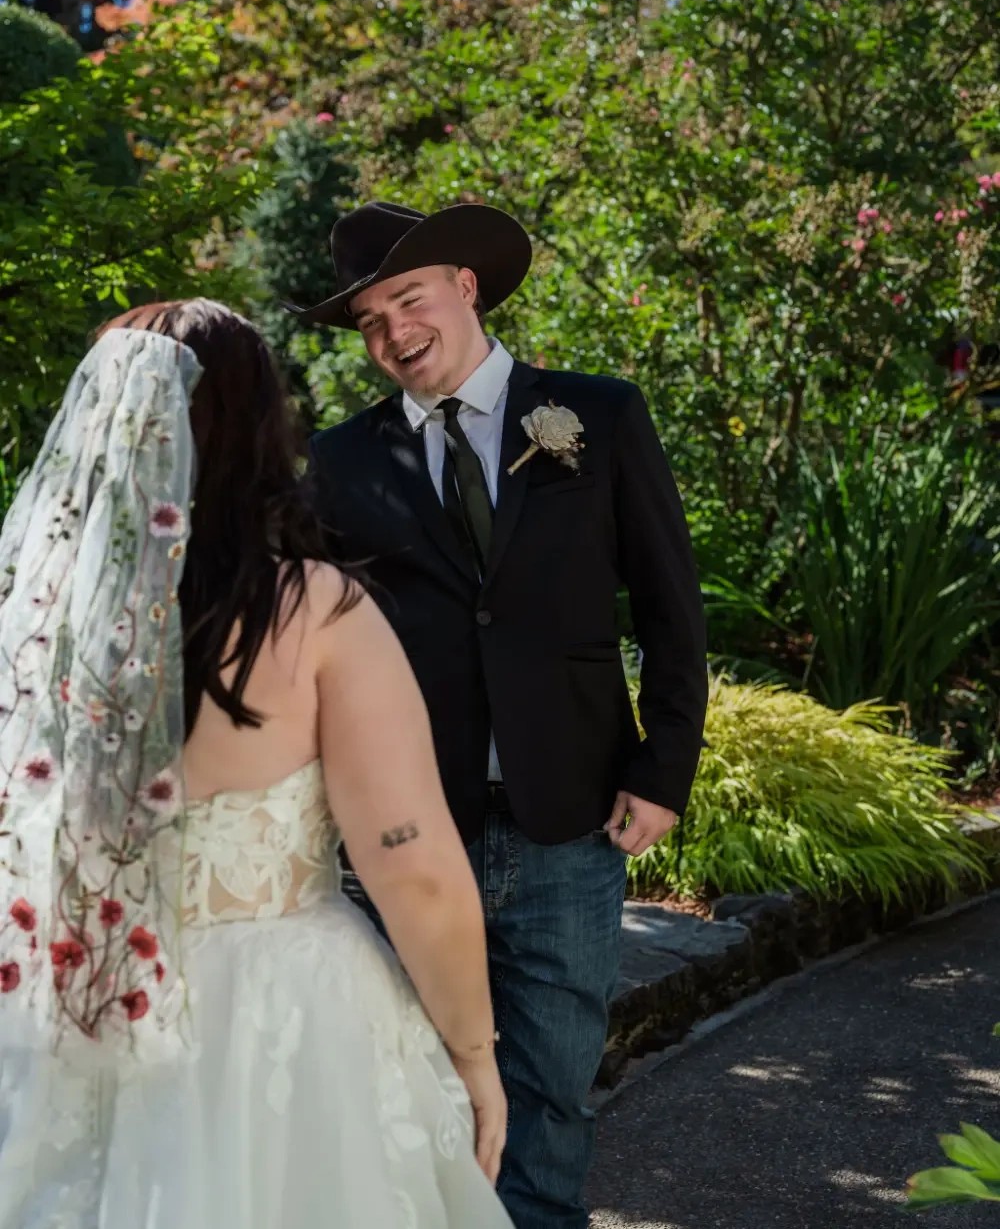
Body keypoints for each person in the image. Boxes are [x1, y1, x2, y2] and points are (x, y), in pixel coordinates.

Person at [0, 298, 514, 1229]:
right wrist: (475, 1057)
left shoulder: (34, 631)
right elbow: (413, 865)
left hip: (80, 1001)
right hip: (287, 1019)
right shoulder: (315, 612)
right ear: (253, 430)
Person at [295, 201, 708, 1228]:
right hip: (403, 830)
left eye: (407, 298)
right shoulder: (341, 463)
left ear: (465, 286)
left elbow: (669, 603)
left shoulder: (595, 417)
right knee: (407, 1093)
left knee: (552, 1092)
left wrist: (663, 771)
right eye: (369, 323)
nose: (392, 332)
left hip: (563, 820)